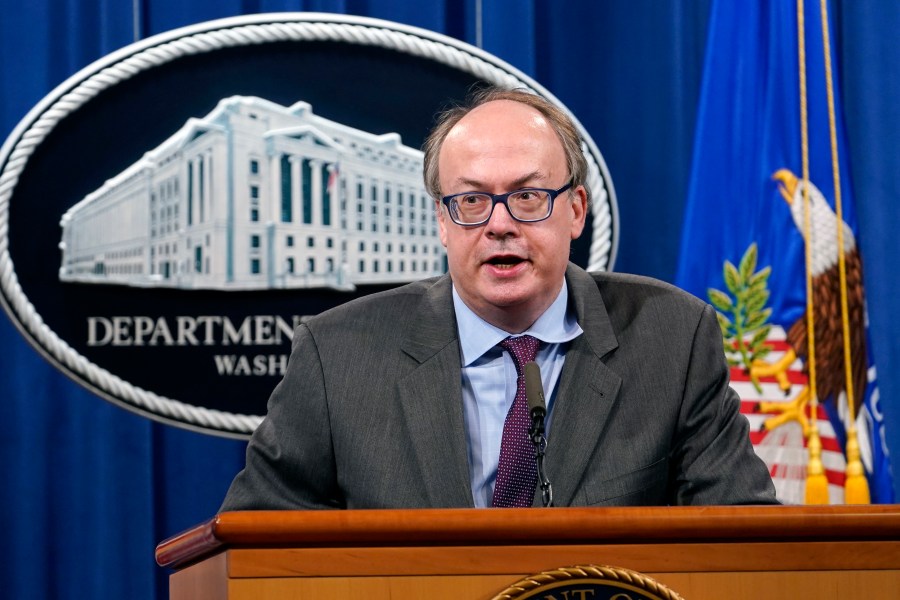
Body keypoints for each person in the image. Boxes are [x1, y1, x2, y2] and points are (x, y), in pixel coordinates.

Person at [220, 86, 777, 510]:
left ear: (577, 210)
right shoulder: (338, 356)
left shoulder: (671, 339)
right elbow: (254, 549)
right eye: (470, 201)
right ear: (442, 221)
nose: (499, 225)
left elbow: (742, 541)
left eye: (529, 196)